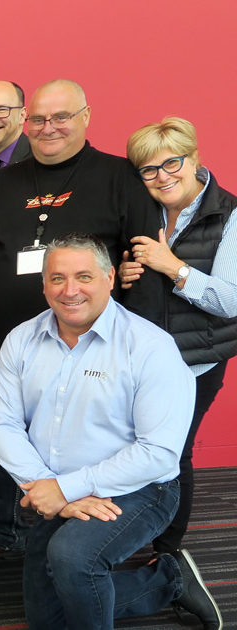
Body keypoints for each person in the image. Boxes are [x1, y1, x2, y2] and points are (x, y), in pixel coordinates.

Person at [0, 79, 161, 564]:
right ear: (27, 122)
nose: (49, 128)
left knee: (91, 439)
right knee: (6, 433)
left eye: (61, 117)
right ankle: (4, 531)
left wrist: (139, 338)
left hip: (93, 345)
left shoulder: (118, 178)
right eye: (39, 119)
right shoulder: (1, 183)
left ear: (86, 116)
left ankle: (99, 531)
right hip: (8, 344)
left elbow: (145, 263)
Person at [0, 233, 221, 629]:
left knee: (72, 558)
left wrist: (66, 489)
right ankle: (169, 580)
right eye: (57, 278)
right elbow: (1, 421)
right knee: (48, 619)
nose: (70, 290)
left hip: (141, 488)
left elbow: (159, 453)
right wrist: (47, 486)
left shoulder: (150, 347)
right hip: (52, 483)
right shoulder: (21, 339)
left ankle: (154, 578)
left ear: (110, 277)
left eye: (84, 276)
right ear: (43, 285)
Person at [120, 117, 237, 555]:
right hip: (142, 357)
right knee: (135, 450)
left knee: (173, 454)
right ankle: (132, 535)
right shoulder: (143, 209)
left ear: (194, 159)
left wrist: (173, 266)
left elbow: (231, 301)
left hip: (196, 360)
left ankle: (168, 553)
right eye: (149, 170)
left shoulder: (229, 214)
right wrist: (125, 275)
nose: (162, 176)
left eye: (172, 163)